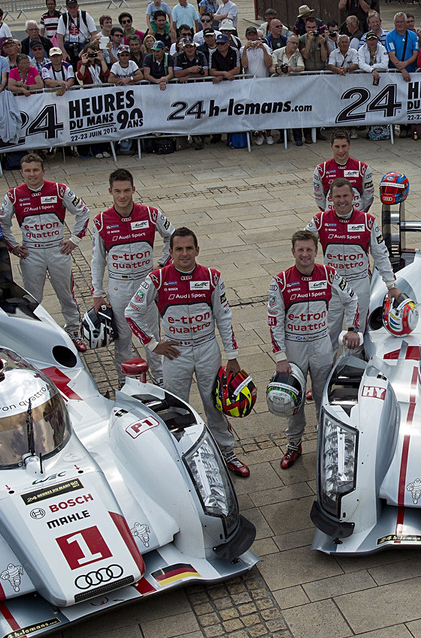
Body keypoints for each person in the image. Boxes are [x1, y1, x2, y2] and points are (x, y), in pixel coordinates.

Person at [126, 229, 250, 477]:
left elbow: (224, 317)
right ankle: (180, 456)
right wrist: (152, 344)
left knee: (214, 405)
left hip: (207, 349)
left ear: (197, 250)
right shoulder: (157, 279)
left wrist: (232, 355)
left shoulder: (212, 278)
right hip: (175, 351)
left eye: (189, 248)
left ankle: (227, 454)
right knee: (175, 407)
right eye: (179, 249)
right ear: (170, 252)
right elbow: (131, 312)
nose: (184, 254)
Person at [267, 229, 360, 468]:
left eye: (309, 249)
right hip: (294, 346)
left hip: (321, 344)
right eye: (300, 250)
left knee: (324, 398)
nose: (305, 254)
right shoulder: (280, 281)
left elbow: (352, 298)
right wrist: (280, 356)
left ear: (316, 251)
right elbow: (274, 320)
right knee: (291, 400)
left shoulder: (329, 274)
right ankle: (293, 444)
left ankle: (326, 444)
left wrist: (352, 328)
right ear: (293, 251)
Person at [89, 168, 175, 376]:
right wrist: (97, 293)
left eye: (126, 190)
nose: (122, 196)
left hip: (147, 283)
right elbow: (98, 259)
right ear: (110, 191)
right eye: (117, 191)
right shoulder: (101, 221)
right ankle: (125, 380)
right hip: (119, 286)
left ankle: (160, 375)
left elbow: (172, 237)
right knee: (123, 338)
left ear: (134, 189)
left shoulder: (151, 214)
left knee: (152, 333)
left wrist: (162, 263)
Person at [0, 153, 91, 337]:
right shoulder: (13, 195)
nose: (32, 174)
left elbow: (84, 212)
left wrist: (74, 240)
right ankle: (34, 334)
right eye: (27, 171)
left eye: (35, 170)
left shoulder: (59, 190)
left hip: (58, 250)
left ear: (43, 171)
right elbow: (2, 223)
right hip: (31, 253)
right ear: (22, 172)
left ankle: (74, 331)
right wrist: (13, 246)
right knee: (33, 298)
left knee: (66, 295)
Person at [308, 176, 397, 339]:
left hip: (359, 283)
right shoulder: (319, 220)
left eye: (345, 196)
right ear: (331, 199)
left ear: (353, 197)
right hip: (333, 285)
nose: (342, 201)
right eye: (337, 197)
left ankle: (359, 364)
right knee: (327, 334)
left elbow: (381, 255)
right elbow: (302, 248)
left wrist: (391, 285)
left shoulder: (367, 221)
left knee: (358, 333)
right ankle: (328, 364)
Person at [313, 131, 375, 210]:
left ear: (349, 145)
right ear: (331, 146)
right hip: (332, 219)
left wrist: (359, 216)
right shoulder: (321, 170)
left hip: (357, 217)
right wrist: (328, 216)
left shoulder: (363, 168)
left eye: (344, 146)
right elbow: (319, 198)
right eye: (337, 147)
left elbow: (368, 196)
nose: (341, 151)